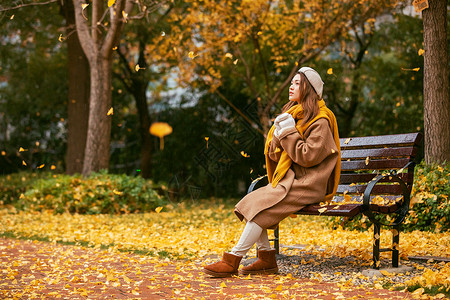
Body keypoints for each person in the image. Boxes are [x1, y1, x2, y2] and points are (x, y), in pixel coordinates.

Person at [203, 67, 341, 278]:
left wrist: (287, 132)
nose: (291, 87)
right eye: (292, 82)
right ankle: (266, 260)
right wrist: (277, 136)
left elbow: (306, 156)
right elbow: (277, 156)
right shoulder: (295, 116)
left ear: (309, 88)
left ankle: (232, 260)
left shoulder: (320, 121)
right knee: (255, 202)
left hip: (310, 184)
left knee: (261, 212)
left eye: (297, 83)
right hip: (291, 181)